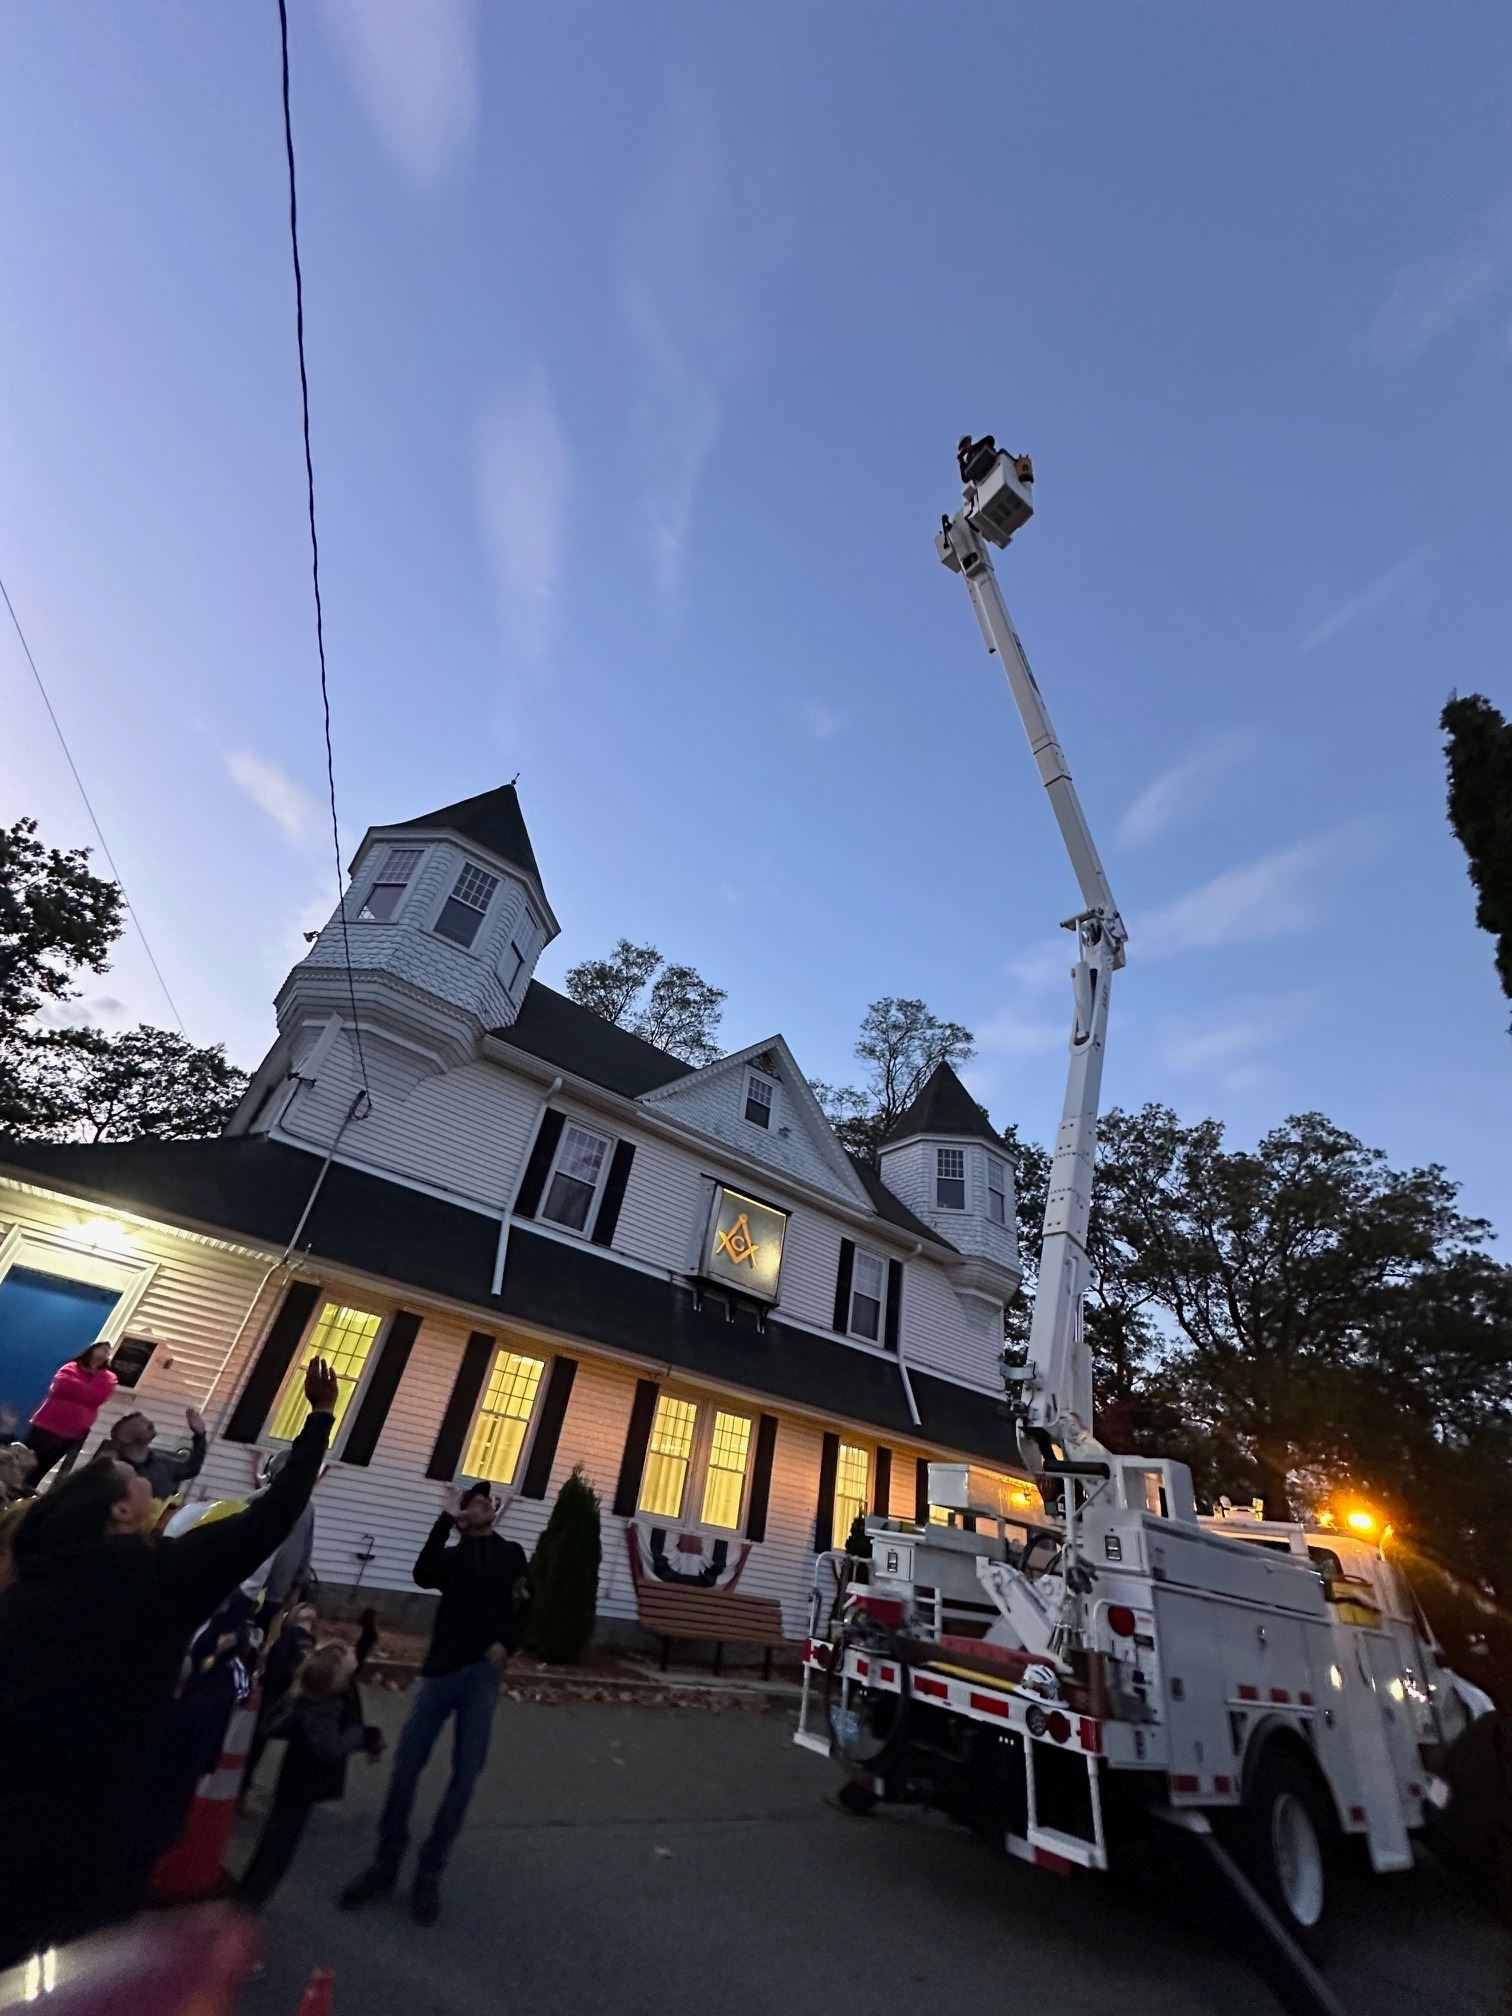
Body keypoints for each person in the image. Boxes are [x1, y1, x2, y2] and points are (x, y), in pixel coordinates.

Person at [0, 1356, 340, 1969]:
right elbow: (272, 1517)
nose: (143, 1476)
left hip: (15, 1802)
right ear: (120, 1513)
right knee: (75, 1961)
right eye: (128, 1477)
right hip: (93, 1818)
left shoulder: (29, 1591)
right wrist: (318, 1417)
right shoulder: (156, 1580)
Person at [340, 1483, 530, 1925]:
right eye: (474, 1501)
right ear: (464, 1517)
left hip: (482, 1675)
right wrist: (444, 1521)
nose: (484, 1503)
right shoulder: (452, 1559)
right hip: (440, 1671)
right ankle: (386, 1863)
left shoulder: (511, 1554)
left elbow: (524, 1603)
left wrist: (508, 1644)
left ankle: (430, 1873)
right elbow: (423, 1574)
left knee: (465, 1773)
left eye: (487, 1501)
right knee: (407, 1765)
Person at [239, 1641, 383, 1909]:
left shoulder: (310, 1698)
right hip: (303, 1784)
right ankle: (252, 1897)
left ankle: (251, 1891)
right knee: (280, 1843)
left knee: (277, 1837)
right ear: (335, 1678)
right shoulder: (323, 1710)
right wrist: (360, 1737)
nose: (353, 1653)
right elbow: (331, 1747)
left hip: (295, 1781)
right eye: (347, 1654)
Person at [241, 1599, 318, 1804]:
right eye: (304, 1607)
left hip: (282, 1701)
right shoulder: (290, 1639)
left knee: (257, 1748)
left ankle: (243, 1788)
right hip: (273, 1699)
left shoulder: (307, 1641)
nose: (310, 1609)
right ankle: (241, 1790)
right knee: (254, 1748)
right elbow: (284, 1669)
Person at [25, 1342, 118, 1486]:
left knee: (43, 1468)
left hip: (71, 1431)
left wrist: (77, 1389)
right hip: (46, 1423)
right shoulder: (71, 1367)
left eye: (107, 1351)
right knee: (24, 1461)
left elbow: (99, 1397)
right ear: (91, 1350)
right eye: (102, 1349)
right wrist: (87, 1391)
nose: (104, 1353)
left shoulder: (109, 1378)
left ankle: (24, 1494)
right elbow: (61, 1385)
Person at [108, 1405, 207, 1501]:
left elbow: (191, 1469)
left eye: (146, 1420)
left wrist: (200, 1436)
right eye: (140, 1422)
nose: (150, 1422)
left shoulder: (161, 1463)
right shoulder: (116, 1473)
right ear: (125, 1437)